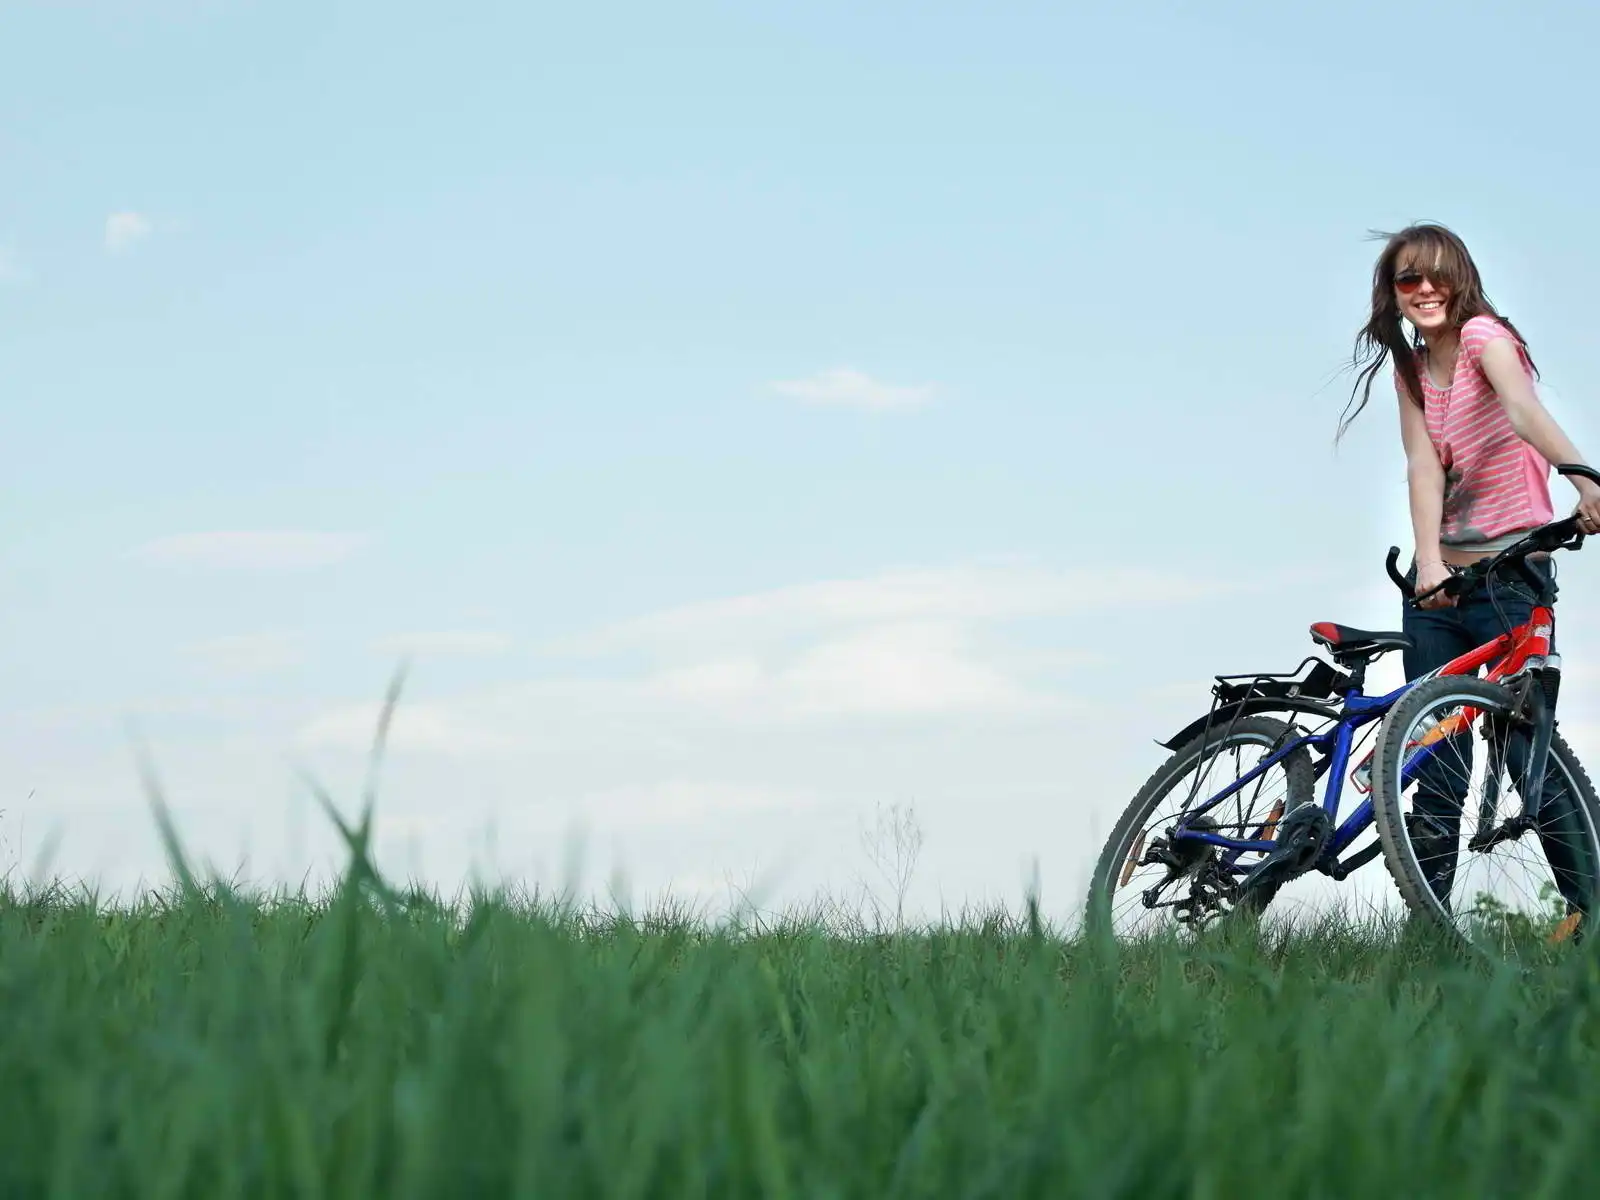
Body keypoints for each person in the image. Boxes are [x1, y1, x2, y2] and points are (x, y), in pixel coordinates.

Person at [1343, 222, 1600, 919]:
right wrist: (1427, 563)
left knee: (1528, 751)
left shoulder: (1487, 338)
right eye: (1408, 278)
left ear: (1460, 280)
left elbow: (1522, 410)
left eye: (1437, 275)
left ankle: (1591, 921)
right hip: (1440, 587)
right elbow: (1423, 466)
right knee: (1435, 761)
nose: (1424, 289)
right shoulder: (1409, 366)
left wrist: (1582, 478)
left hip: (1510, 578)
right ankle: (1430, 937)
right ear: (1393, 291)